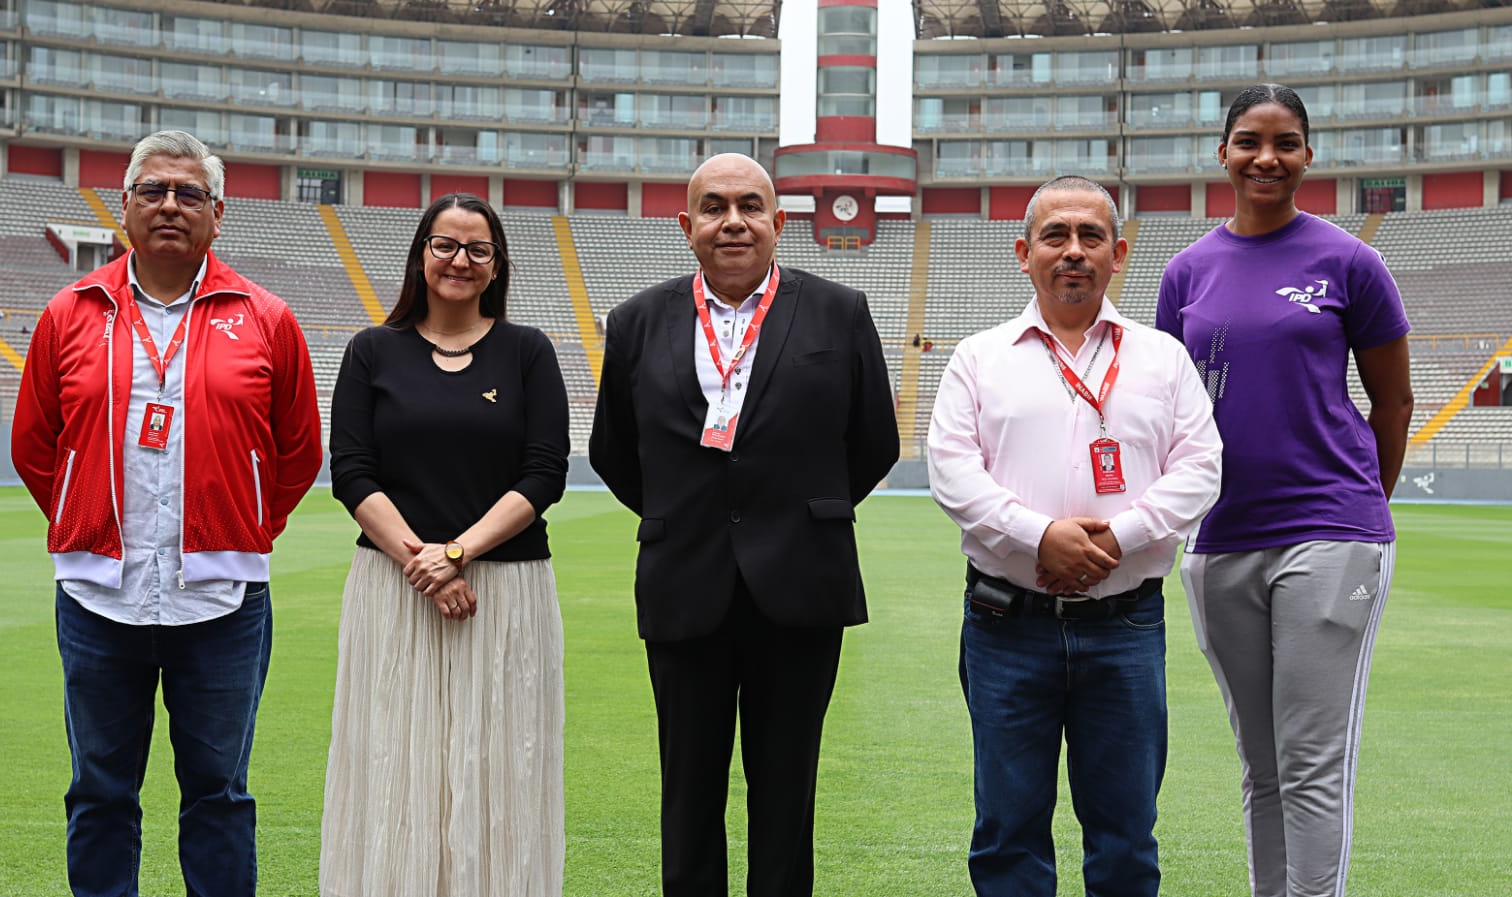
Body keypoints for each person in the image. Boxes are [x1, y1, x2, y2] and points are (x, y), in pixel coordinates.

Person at [11, 130, 323, 896]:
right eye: (153, 191)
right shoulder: (70, 310)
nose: (170, 206)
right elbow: (35, 446)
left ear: (218, 214)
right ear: (124, 207)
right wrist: (87, 519)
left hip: (222, 600)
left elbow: (298, 453)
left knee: (219, 794)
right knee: (100, 792)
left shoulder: (267, 317)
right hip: (98, 596)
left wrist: (241, 528)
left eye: (189, 194)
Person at [589, 153, 899, 897]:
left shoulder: (839, 310)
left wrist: (796, 516)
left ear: (777, 222)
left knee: (786, 794)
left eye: (751, 206)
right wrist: (687, 518)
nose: (734, 221)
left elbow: (874, 441)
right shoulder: (636, 320)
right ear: (685, 224)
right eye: (715, 206)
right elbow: (613, 450)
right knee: (688, 794)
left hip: (800, 582)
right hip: (684, 582)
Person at [927, 175, 1223, 897]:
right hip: (1006, 626)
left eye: (1091, 237)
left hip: (1124, 626)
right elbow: (952, 470)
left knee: (1125, 837)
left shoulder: (1162, 358)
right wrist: (1040, 536)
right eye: (1055, 236)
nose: (1073, 251)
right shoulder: (979, 358)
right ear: (1022, 251)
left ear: (1118, 252)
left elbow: (1202, 465)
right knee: (1007, 833)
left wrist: (1115, 539)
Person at [1156, 84, 1414, 897]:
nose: (1266, 156)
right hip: (1222, 537)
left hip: (1330, 531)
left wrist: (1362, 507)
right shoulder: (1186, 272)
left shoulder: (1349, 261)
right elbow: (1166, 404)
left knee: (1309, 760)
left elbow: (1394, 399)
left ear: (1308, 154)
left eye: (1286, 141)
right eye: (1249, 140)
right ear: (1222, 152)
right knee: (1261, 764)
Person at [320, 193, 569, 897]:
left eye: (478, 248)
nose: (460, 259)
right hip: (393, 591)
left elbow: (544, 470)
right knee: (393, 762)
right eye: (445, 244)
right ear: (420, 254)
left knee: (502, 768)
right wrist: (423, 562)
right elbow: (352, 472)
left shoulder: (528, 352)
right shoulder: (372, 351)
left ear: (497, 266)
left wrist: (457, 553)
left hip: (505, 592)